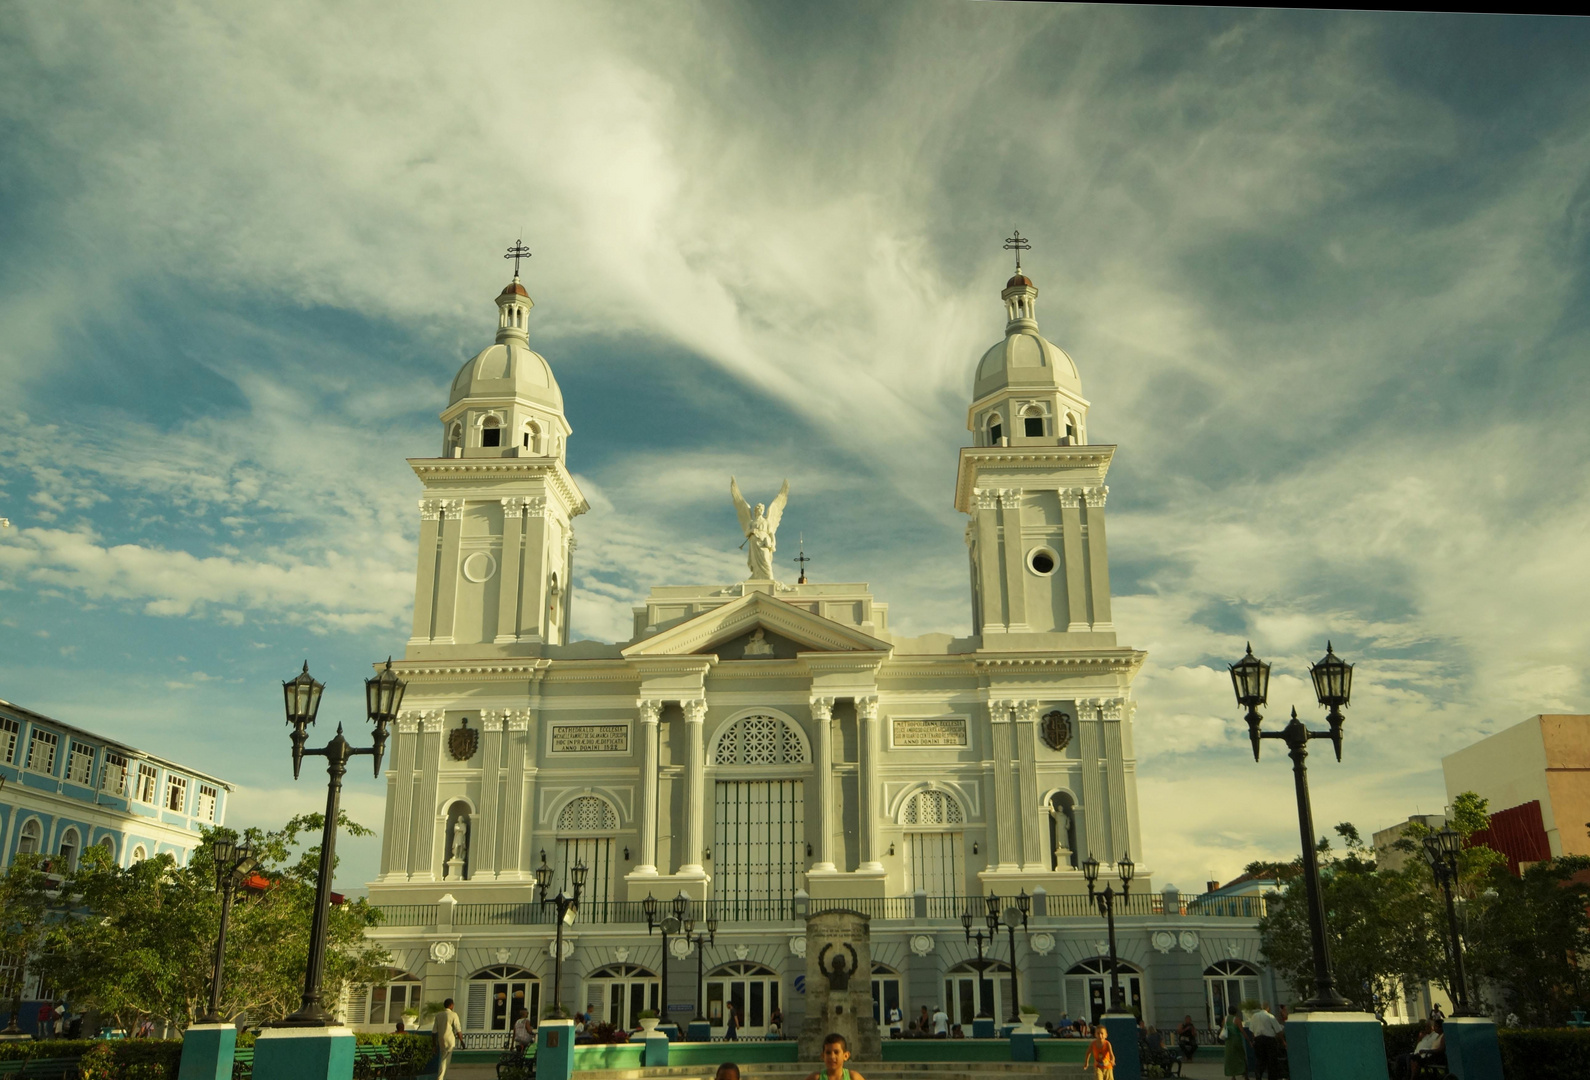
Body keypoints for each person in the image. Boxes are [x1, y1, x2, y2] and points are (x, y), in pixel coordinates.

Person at [1247, 1003, 1282, 1080]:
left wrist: (1254, 1040)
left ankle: (1258, 1075)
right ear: (1268, 1008)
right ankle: (1272, 1077)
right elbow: (1278, 1030)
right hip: (1269, 1040)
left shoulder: (1254, 1016)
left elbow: (1252, 1030)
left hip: (1258, 1039)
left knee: (1260, 1059)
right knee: (1271, 1060)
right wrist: (1283, 1041)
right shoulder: (1270, 1016)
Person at [432, 998, 463, 1080]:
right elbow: (458, 1029)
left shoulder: (438, 1015)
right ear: (451, 1005)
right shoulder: (453, 1015)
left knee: (443, 1057)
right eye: (453, 1005)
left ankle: (442, 1077)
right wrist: (462, 1041)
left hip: (441, 1039)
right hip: (449, 1040)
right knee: (445, 1060)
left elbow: (434, 1031)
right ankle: (441, 1077)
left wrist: (434, 1045)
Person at [1222, 1008, 1247, 1080]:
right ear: (1235, 1012)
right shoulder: (1237, 1019)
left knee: (1230, 1058)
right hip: (1236, 1040)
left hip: (1228, 1041)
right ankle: (1244, 1073)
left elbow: (1223, 1029)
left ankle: (1233, 1075)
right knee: (1240, 1056)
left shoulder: (1225, 1019)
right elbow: (1242, 1030)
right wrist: (1248, 1039)